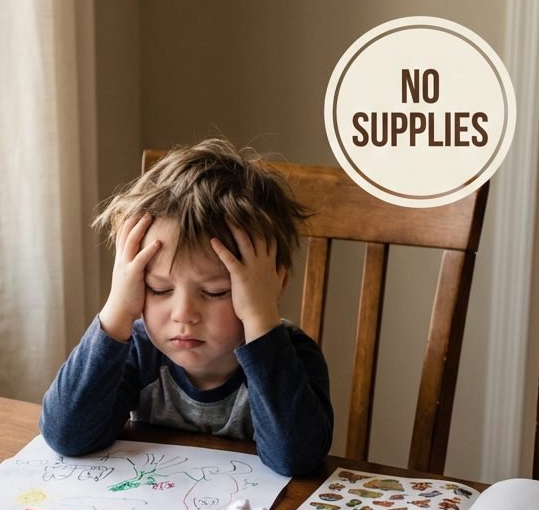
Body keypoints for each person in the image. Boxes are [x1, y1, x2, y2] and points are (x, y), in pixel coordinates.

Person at [40, 138, 333, 477]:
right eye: (159, 289)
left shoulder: (293, 356)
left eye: (215, 292)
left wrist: (260, 320)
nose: (184, 314)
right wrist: (117, 309)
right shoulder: (141, 352)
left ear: (272, 287)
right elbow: (66, 435)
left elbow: (295, 459)